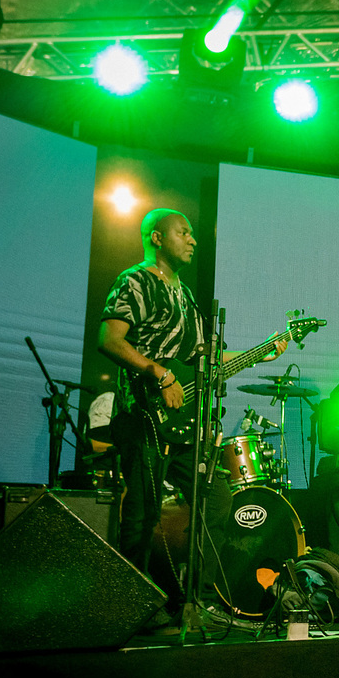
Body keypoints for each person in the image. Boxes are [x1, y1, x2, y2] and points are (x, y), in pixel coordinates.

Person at [98, 208, 286, 606]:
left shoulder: (185, 295)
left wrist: (260, 353)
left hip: (185, 425)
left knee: (217, 501)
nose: (193, 240)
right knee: (142, 516)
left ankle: (198, 602)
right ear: (157, 237)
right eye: (183, 233)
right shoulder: (135, 281)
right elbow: (110, 340)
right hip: (144, 416)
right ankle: (131, 605)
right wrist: (160, 374)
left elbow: (205, 358)